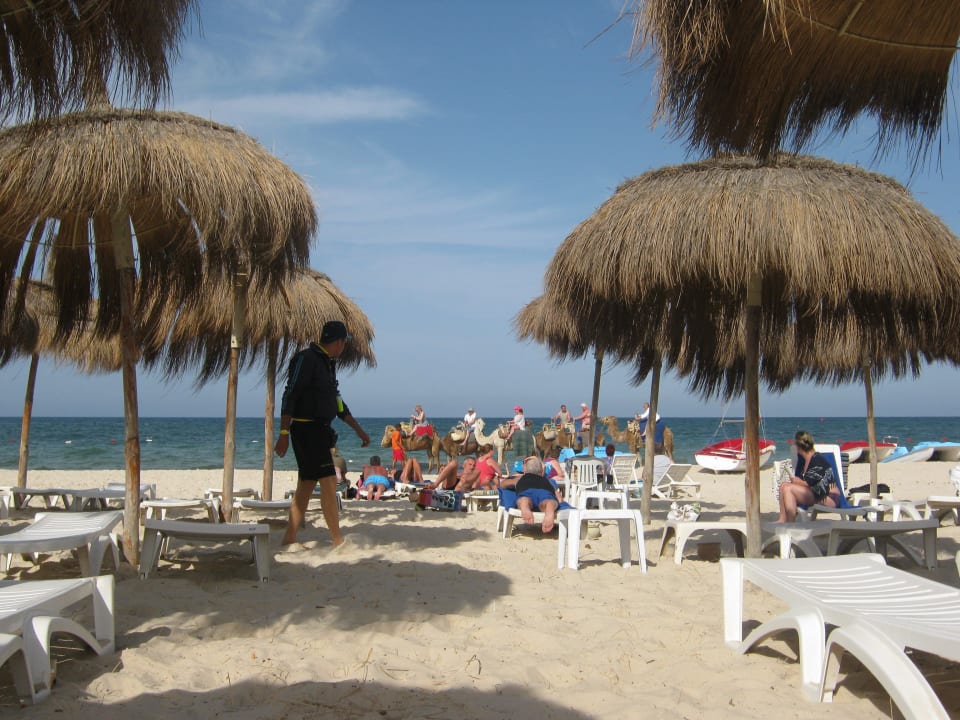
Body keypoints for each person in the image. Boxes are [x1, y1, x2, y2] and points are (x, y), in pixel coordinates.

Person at [275, 320, 370, 547]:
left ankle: (289, 538)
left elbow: (337, 404)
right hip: (306, 429)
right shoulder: (306, 358)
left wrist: (359, 430)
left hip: (319, 430)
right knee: (328, 481)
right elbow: (291, 394)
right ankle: (337, 541)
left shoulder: (329, 363)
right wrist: (283, 432)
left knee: (306, 485)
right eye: (344, 342)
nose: (344, 346)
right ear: (338, 342)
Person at [777, 430, 842, 522]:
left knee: (788, 488)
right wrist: (796, 481)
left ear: (799, 446)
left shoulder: (817, 459)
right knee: (784, 485)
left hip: (829, 498)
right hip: (817, 495)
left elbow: (809, 483)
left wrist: (797, 481)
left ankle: (789, 523)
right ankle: (783, 519)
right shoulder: (805, 461)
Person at [500, 456, 562, 533]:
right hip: (544, 489)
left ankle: (524, 503)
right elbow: (559, 498)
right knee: (548, 500)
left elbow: (503, 484)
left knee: (524, 498)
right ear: (542, 472)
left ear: (525, 471)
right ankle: (549, 506)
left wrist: (511, 482)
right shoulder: (547, 481)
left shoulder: (520, 478)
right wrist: (558, 502)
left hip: (526, 488)